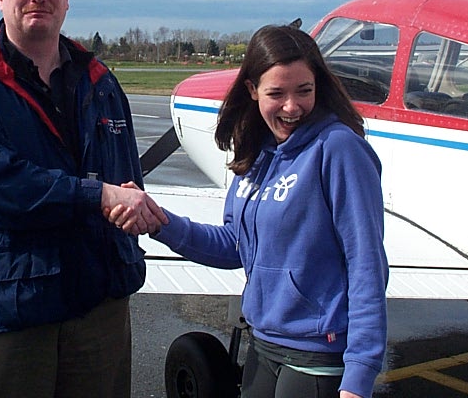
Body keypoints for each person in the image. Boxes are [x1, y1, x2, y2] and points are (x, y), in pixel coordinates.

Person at [0, 0, 167, 398]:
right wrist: (101, 196)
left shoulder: (100, 81)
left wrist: (136, 210)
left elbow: (128, 179)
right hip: (13, 308)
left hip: (99, 306)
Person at [111, 24, 388, 398]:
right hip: (264, 345)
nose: (292, 106)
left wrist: (360, 375)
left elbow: (367, 264)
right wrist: (161, 223)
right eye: (277, 93)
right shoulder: (258, 153)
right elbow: (234, 246)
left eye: (304, 90)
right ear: (252, 90)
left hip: (317, 354)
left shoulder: (338, 149)